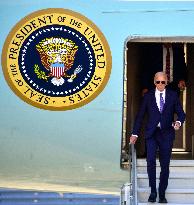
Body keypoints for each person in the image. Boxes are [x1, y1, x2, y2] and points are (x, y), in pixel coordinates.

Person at [129, 72, 186, 203]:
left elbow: (181, 114)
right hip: (151, 134)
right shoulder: (148, 96)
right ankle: (153, 192)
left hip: (166, 134)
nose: (160, 85)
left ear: (167, 82)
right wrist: (135, 133)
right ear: (154, 82)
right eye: (158, 82)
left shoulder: (173, 95)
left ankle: (162, 193)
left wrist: (178, 122)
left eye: (163, 82)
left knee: (165, 165)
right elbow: (140, 116)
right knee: (150, 163)